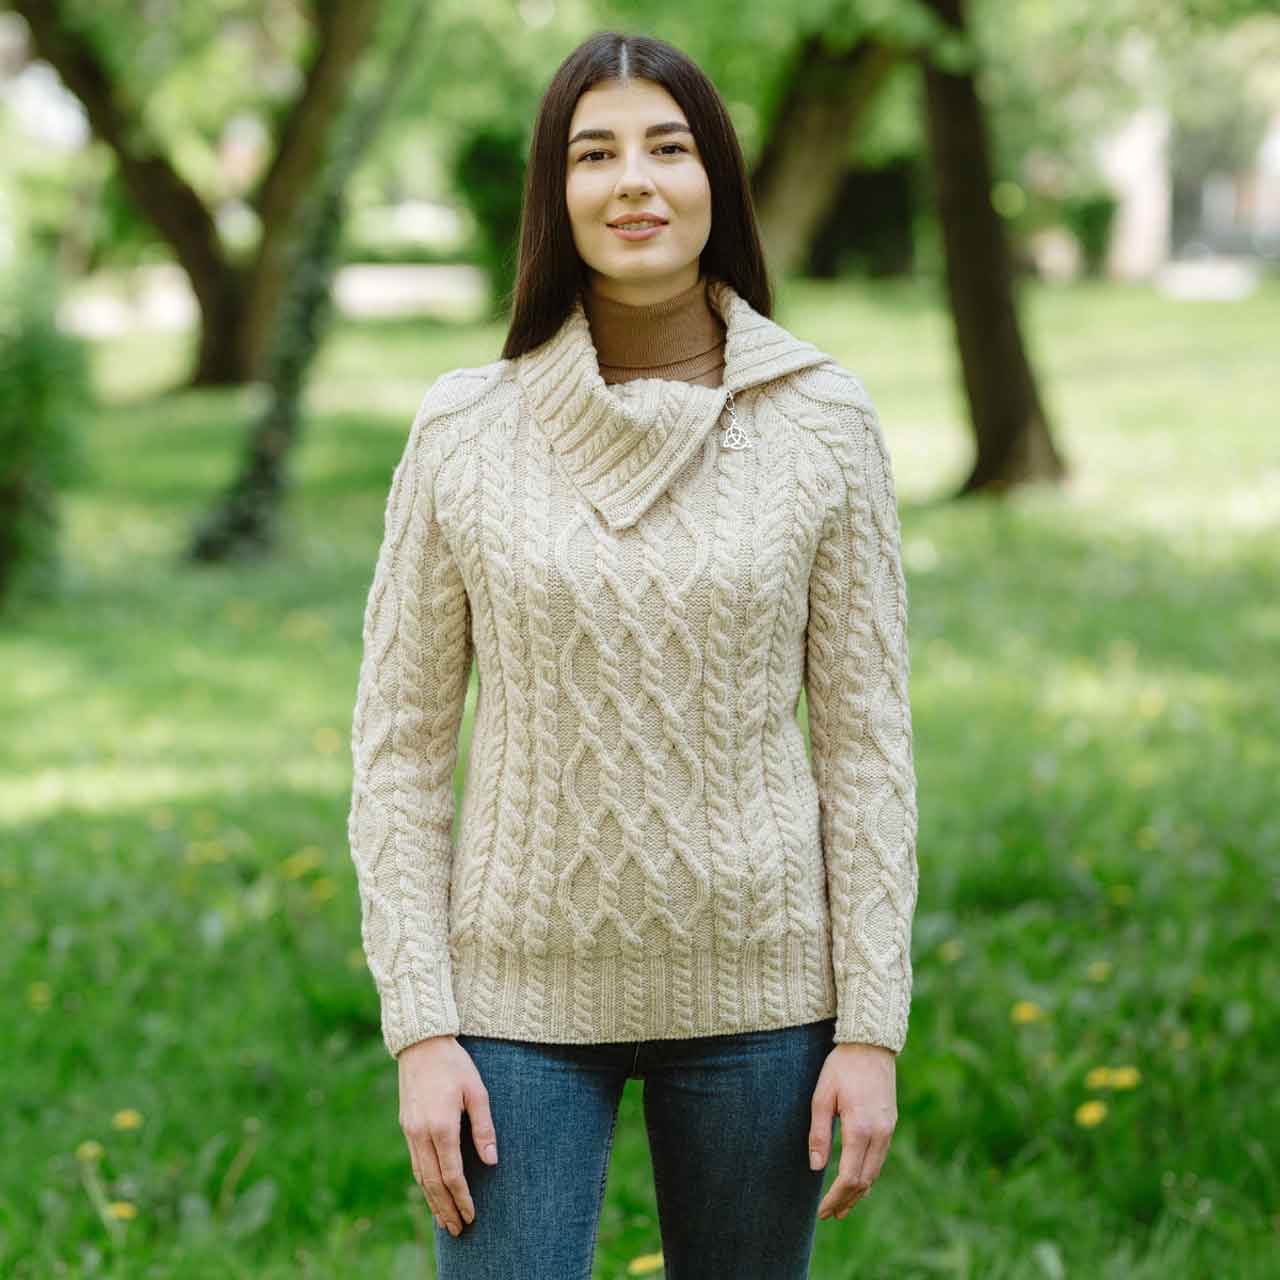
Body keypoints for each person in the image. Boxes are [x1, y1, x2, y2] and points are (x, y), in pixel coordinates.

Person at [346, 28, 919, 1280]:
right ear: (555, 194)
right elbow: (396, 753)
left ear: (715, 175)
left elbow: (866, 743)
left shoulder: (822, 420)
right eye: (592, 152)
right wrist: (420, 1026)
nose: (634, 181)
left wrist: (870, 1022)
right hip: (509, 1010)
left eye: (667, 145)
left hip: (764, 999)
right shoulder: (462, 430)